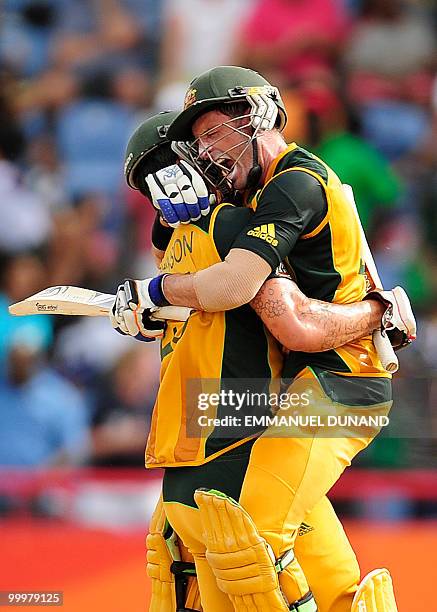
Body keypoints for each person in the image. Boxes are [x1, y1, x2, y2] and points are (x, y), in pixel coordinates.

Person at [113, 108, 414, 611]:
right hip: (242, 410)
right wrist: (153, 305)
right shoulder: (202, 232)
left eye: (211, 140)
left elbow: (286, 319)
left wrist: (377, 312)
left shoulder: (237, 219)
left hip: (314, 391)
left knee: (248, 544)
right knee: (260, 563)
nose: (210, 156)